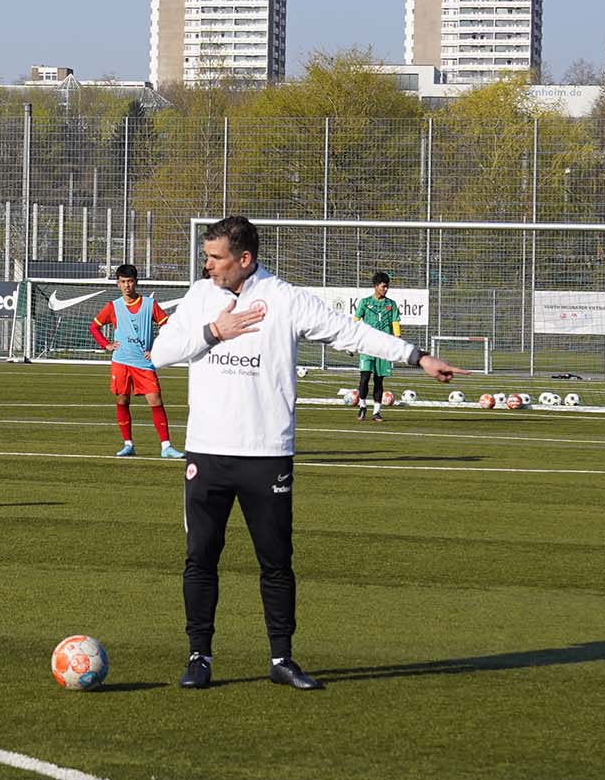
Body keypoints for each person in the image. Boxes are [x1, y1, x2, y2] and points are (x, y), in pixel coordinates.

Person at [150, 216, 456, 691]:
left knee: (275, 561)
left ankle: (281, 659)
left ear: (244, 259)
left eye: (215, 258)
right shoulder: (199, 297)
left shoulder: (286, 300)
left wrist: (417, 357)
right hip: (207, 454)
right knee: (200, 558)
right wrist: (215, 331)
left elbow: (351, 333)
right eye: (207, 257)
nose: (207, 265)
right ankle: (199, 656)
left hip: (267, 454)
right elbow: (160, 353)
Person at [87, 263, 182, 459]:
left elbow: (169, 327)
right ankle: (128, 444)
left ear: (136, 282)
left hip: (143, 363)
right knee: (122, 399)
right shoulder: (113, 307)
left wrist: (156, 348)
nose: (127, 286)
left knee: (155, 400)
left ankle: (166, 446)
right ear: (117, 284)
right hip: (121, 361)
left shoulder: (150, 305)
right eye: (123, 282)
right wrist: (107, 345)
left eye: (130, 281)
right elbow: (94, 327)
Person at [352, 272, 402, 422]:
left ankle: (376, 412)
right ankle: (362, 406)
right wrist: (352, 340)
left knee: (379, 380)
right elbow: (355, 321)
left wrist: (397, 340)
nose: (386, 289)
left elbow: (395, 323)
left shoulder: (390, 304)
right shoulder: (365, 302)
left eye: (387, 287)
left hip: (384, 347)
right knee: (364, 377)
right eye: (383, 286)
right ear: (376, 286)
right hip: (367, 346)